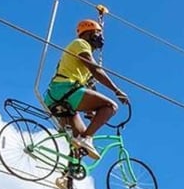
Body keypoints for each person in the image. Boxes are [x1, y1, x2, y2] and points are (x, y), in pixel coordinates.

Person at [43, 18, 128, 159]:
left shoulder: (83, 60)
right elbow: (96, 70)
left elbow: (90, 87)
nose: (100, 38)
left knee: (79, 142)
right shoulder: (80, 44)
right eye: (98, 34)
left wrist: (91, 111)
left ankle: (68, 175)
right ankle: (87, 138)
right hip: (65, 90)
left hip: (57, 97)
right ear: (89, 34)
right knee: (110, 106)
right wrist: (116, 91)